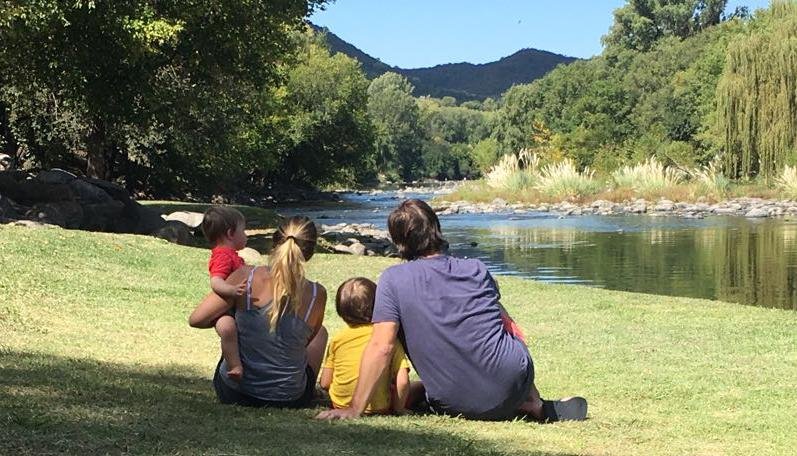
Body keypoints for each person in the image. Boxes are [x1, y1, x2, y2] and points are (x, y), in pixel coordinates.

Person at [316, 199, 587, 422]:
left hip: (454, 400)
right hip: (511, 378)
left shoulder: (392, 280)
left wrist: (355, 409)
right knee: (500, 315)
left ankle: (517, 398)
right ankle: (530, 399)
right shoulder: (477, 269)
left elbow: (382, 347)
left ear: (400, 240)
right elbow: (500, 324)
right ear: (436, 228)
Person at [190, 216, 328, 407]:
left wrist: (227, 319)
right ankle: (302, 386)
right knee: (321, 333)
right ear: (310, 252)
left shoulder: (246, 276)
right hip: (290, 399)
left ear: (274, 242)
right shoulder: (316, 294)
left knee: (227, 317)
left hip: (235, 392)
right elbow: (309, 338)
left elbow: (197, 319)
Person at [319, 277, 411, 414]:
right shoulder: (387, 339)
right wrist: (399, 409)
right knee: (419, 388)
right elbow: (402, 382)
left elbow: (325, 383)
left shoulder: (338, 340)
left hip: (339, 404)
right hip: (380, 408)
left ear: (340, 311)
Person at [200, 206, 248, 381]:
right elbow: (216, 281)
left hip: (233, 308)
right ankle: (234, 365)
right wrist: (232, 291)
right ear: (230, 233)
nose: (246, 235)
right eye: (244, 230)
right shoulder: (222, 255)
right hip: (223, 311)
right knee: (227, 329)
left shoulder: (232, 255)